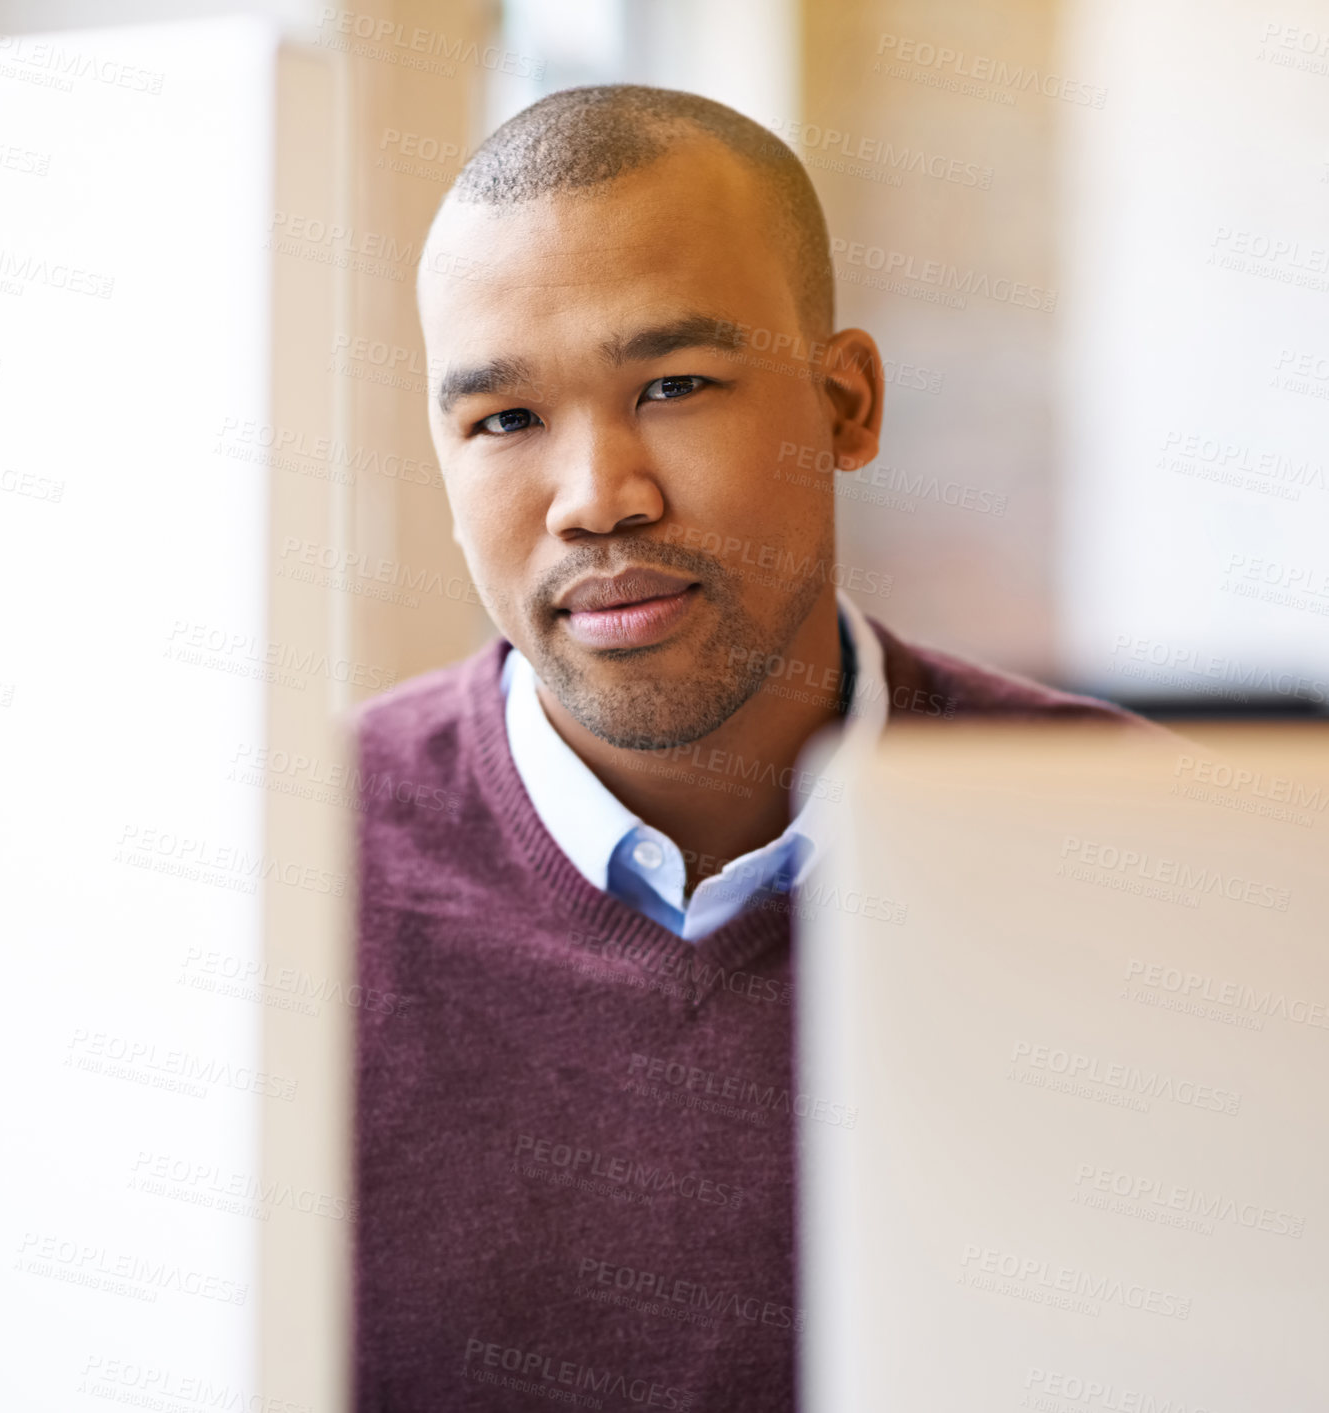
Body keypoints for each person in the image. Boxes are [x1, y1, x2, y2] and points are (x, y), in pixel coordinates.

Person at [352, 84, 1136, 1412]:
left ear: (844, 406)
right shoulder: (271, 876)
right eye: (503, 421)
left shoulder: (1146, 853)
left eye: (672, 385)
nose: (597, 497)